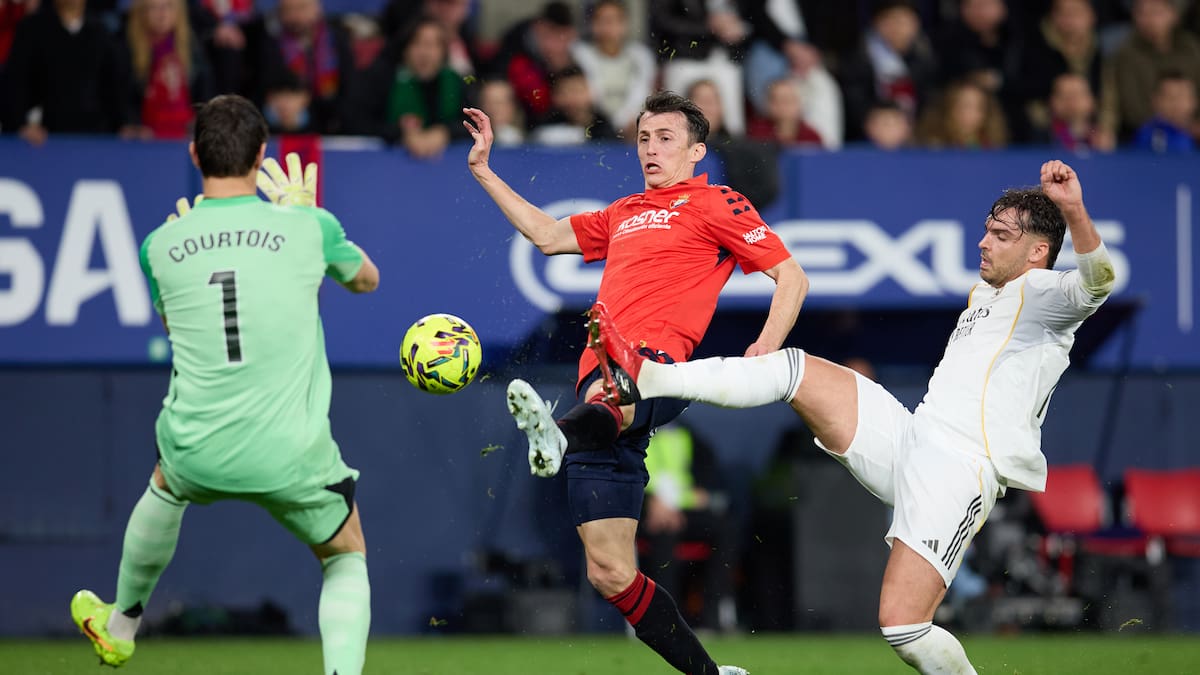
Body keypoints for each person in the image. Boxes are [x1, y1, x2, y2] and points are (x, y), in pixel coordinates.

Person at [591, 160, 1115, 674]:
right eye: (987, 230)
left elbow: (1098, 283)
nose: (984, 241)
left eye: (1001, 235)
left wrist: (1072, 209)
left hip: (960, 468)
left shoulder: (1046, 296)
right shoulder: (988, 293)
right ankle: (650, 375)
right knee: (793, 369)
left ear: (1037, 252)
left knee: (904, 628)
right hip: (912, 435)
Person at [463, 90, 808, 675]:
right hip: (597, 383)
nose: (651, 148)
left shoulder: (717, 201)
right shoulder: (622, 212)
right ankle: (711, 673)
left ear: (697, 151)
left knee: (617, 392)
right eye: (644, 138)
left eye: (666, 138)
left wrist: (765, 348)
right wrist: (484, 172)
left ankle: (560, 435)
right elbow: (547, 236)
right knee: (610, 572)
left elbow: (791, 277)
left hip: (658, 367)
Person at [69, 95, 380, 675]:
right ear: (262, 154)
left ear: (194, 155)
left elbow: (176, 325)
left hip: (198, 450)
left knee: (164, 483)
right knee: (345, 555)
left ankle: (121, 628)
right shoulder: (309, 226)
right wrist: (299, 210)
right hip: (291, 454)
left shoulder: (159, 246)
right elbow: (367, 281)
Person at [1133, 70, 1197, 152]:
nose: (1177, 104)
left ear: (1194, 101)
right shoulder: (1148, 134)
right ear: (1155, 101)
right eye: (1170, 98)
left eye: (1183, 97)